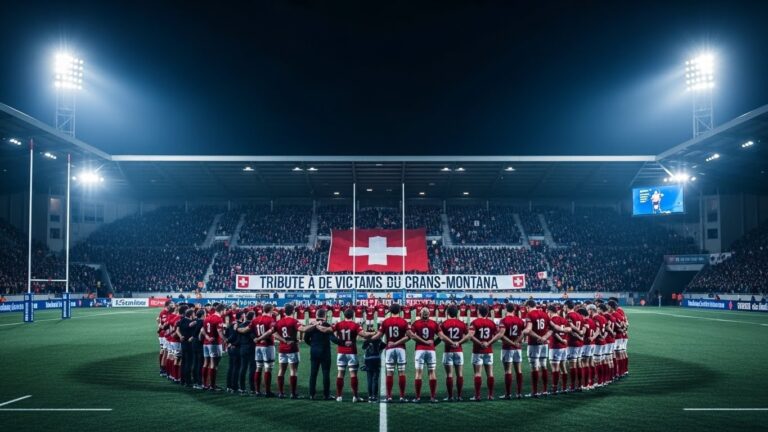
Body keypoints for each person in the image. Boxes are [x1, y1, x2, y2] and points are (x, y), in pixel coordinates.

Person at [273, 303, 317, 399]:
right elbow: (303, 329)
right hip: (292, 348)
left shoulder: (279, 321)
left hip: (282, 348)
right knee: (293, 370)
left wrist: (283, 340)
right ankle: (293, 393)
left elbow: (274, 333)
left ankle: (281, 393)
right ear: (293, 311)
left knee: (281, 370)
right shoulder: (293, 321)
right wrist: (314, 324)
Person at [371, 303, 410, 403]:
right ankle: (401, 396)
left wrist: (368, 338)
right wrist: (397, 342)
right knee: (401, 372)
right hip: (401, 348)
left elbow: (379, 335)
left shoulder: (385, 321)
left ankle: (389, 396)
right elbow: (408, 336)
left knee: (390, 372)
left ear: (390, 311)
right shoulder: (404, 321)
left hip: (389, 349)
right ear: (400, 311)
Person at [408, 307, 446, 403]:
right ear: (429, 314)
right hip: (431, 350)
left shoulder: (415, 323)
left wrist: (423, 342)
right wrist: (432, 344)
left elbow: (411, 336)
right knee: (432, 373)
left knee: (418, 373)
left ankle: (417, 397)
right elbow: (441, 337)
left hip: (420, 350)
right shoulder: (434, 323)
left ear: (420, 314)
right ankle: (433, 397)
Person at [239, 303, 277, 396]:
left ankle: (257, 391)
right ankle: (267, 391)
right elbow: (270, 331)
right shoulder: (270, 319)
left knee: (259, 367)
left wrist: (237, 329)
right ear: (271, 310)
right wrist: (260, 338)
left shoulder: (255, 320)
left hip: (258, 347)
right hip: (267, 345)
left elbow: (244, 330)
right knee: (268, 368)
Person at [468, 305, 503, 401]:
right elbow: (498, 335)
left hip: (477, 350)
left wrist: (480, 343)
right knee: (490, 373)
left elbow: (470, 336)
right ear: (487, 313)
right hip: (488, 350)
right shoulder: (491, 323)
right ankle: (490, 395)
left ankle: (477, 395)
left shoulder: (474, 322)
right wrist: (488, 343)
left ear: (478, 312)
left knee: (478, 373)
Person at [303, 308, 335, 400]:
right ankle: (326, 395)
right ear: (325, 316)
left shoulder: (311, 325)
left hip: (314, 351)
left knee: (313, 373)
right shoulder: (327, 325)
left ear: (316, 315)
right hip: (325, 351)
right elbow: (333, 338)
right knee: (326, 373)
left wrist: (312, 345)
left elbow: (306, 339)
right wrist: (343, 343)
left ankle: (312, 394)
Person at [440, 305, 469, 401]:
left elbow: (441, 337)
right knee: (459, 374)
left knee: (449, 374)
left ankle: (450, 396)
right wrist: (459, 343)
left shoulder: (444, 323)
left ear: (447, 313)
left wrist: (450, 342)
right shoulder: (462, 324)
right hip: (459, 350)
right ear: (457, 313)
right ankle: (459, 396)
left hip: (448, 350)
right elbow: (467, 337)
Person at [524, 300, 550, 397]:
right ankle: (545, 390)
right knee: (543, 366)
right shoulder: (544, 314)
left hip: (534, 343)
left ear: (528, 306)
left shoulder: (529, 314)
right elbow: (552, 328)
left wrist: (539, 338)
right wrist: (545, 338)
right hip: (544, 344)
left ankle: (535, 391)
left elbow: (529, 330)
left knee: (534, 367)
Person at [499, 303, 525, 399]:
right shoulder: (519, 320)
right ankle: (519, 393)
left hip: (507, 347)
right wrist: (517, 342)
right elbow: (523, 333)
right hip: (517, 348)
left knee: (508, 371)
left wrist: (511, 342)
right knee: (518, 370)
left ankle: (508, 394)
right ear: (514, 310)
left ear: (506, 310)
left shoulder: (504, 320)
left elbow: (501, 335)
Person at [200, 304, 226, 391]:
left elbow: (202, 330)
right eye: (224, 310)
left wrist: (207, 337)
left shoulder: (207, 317)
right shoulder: (218, 319)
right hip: (215, 344)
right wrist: (226, 340)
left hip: (206, 343)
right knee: (214, 364)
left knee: (206, 363)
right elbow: (219, 332)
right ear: (222, 310)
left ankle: (204, 384)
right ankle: (212, 385)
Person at [362, 336, 386, 403]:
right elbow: (384, 345)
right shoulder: (378, 340)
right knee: (375, 379)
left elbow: (363, 347)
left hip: (368, 360)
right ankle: (374, 396)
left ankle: (370, 396)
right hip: (376, 359)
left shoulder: (367, 340)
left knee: (369, 379)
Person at [237, 311, 257, 395]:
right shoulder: (252, 325)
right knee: (252, 368)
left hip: (242, 348)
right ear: (253, 317)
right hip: (251, 348)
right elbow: (253, 336)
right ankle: (252, 388)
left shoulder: (240, 325)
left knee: (243, 368)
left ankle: (242, 388)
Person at [225, 311, 244, 393]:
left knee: (231, 367)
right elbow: (239, 338)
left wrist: (229, 343)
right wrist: (234, 343)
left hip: (230, 348)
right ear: (242, 316)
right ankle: (234, 387)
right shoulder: (240, 325)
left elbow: (226, 335)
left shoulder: (231, 324)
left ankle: (229, 386)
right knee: (236, 367)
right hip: (237, 348)